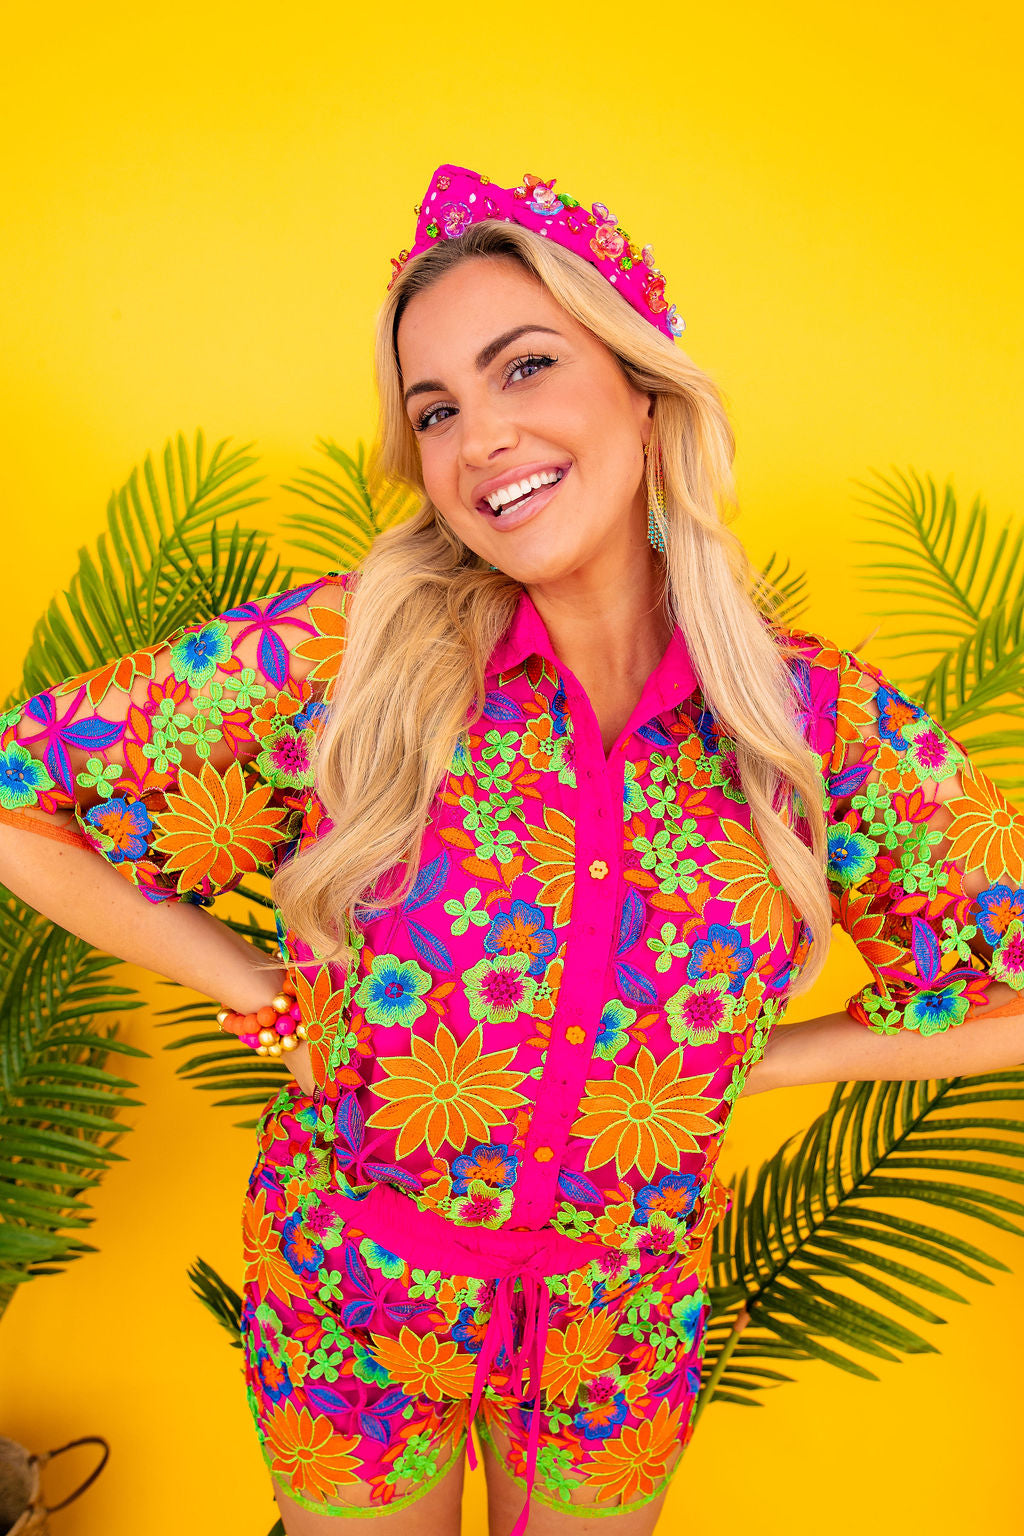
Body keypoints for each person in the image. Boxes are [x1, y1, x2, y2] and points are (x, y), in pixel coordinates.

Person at [2, 161, 1023, 1536]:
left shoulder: (810, 721)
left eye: (524, 366)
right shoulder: (348, 657)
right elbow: (22, 796)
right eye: (436, 410)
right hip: (351, 1304)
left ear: (645, 393)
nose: (480, 436)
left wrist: (758, 1060)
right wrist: (252, 985)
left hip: (618, 1325)